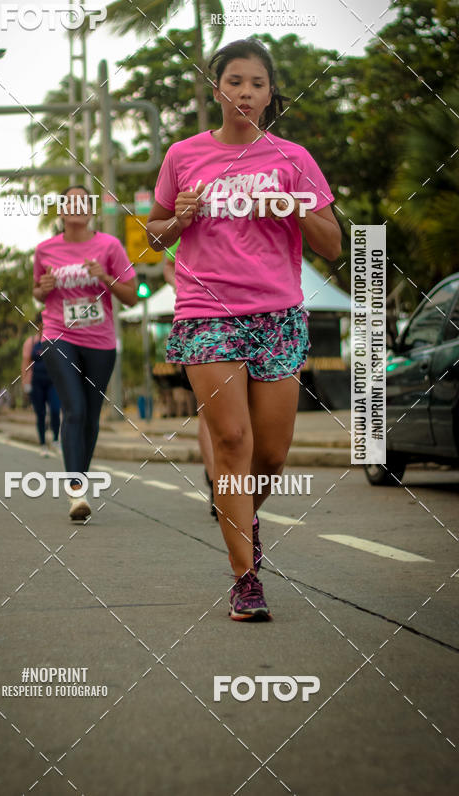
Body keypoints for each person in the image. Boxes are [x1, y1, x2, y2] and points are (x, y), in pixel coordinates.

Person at [147, 38, 341, 622]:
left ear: (269, 92)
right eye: (234, 82)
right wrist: (179, 216)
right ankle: (244, 577)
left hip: (278, 315)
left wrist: (294, 204)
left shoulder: (293, 159)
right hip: (207, 314)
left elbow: (332, 245)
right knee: (231, 443)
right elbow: (154, 235)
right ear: (217, 90)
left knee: (272, 456)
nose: (246, 93)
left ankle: (244, 521)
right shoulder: (184, 155)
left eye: (256, 83)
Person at [33, 185, 138, 522]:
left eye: (83, 201)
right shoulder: (45, 249)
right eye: (70, 202)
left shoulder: (110, 246)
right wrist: (43, 289)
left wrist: (104, 277)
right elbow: (37, 291)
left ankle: (79, 477)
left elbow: (132, 297)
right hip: (57, 336)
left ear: (91, 210)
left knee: (91, 416)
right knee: (74, 410)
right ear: (61, 211)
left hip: (100, 342)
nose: (77, 206)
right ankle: (76, 492)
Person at [164, 241, 216, 518]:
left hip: (253, 315)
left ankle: (237, 481)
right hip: (200, 321)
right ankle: (217, 483)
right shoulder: (189, 206)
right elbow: (167, 265)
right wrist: (182, 285)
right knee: (208, 410)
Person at [21, 313, 61, 457]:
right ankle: (43, 444)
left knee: (56, 410)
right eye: (43, 323)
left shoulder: (56, 341)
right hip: (36, 382)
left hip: (53, 382)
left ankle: (56, 440)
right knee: (41, 414)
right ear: (38, 325)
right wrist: (25, 383)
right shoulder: (31, 342)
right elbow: (25, 363)